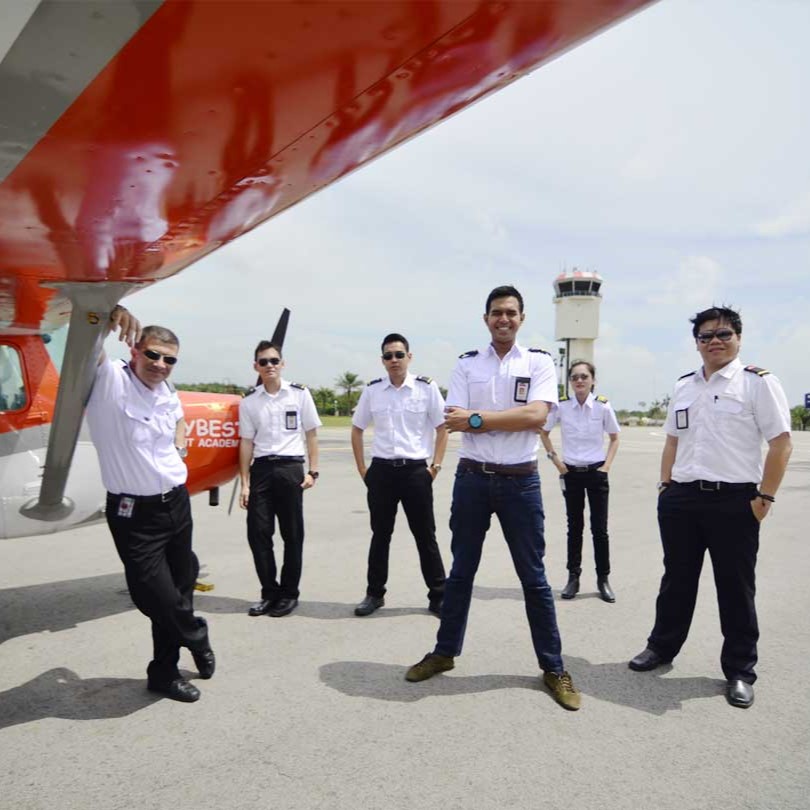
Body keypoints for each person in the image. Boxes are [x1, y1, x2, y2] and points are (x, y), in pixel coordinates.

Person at [405, 285, 581, 711]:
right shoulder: (467, 364)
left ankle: (554, 667)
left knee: (534, 579)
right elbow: (454, 420)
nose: (504, 319)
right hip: (473, 480)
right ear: (486, 319)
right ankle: (445, 652)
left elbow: (537, 415)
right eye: (497, 313)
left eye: (511, 312)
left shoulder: (538, 362)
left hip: (521, 482)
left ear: (522, 318)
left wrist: (479, 418)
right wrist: (500, 421)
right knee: (461, 573)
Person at [629, 306, 792, 709]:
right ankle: (661, 647)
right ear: (696, 343)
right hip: (682, 499)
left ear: (738, 338)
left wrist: (765, 497)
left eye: (723, 334)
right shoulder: (685, 385)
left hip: (734, 501)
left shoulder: (756, 383)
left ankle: (740, 671)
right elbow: (672, 440)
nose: (714, 341)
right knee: (676, 579)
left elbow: (781, 443)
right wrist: (665, 487)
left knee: (735, 587)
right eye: (705, 336)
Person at [86, 306, 215, 703]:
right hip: (133, 513)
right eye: (153, 354)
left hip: (175, 503)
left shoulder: (166, 392)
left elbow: (177, 419)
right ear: (135, 350)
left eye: (169, 359)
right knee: (153, 596)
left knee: (179, 588)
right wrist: (106, 311)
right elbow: (84, 341)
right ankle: (196, 634)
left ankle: (164, 673)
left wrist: (179, 448)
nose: (160, 364)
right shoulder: (110, 381)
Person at [351, 333, 448, 617]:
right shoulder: (373, 390)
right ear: (382, 360)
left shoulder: (426, 388)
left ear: (409, 357)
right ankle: (374, 594)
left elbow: (442, 427)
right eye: (388, 356)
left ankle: (439, 595)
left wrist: (435, 467)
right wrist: (363, 469)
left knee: (425, 535)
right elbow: (357, 429)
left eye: (399, 354)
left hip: (416, 471)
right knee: (380, 535)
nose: (394, 360)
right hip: (381, 472)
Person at [239, 340, 321, 618]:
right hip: (262, 469)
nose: (269, 366)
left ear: (282, 364)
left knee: (292, 534)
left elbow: (311, 433)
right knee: (258, 533)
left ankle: (289, 594)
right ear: (256, 366)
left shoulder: (299, 394)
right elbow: (246, 443)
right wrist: (245, 483)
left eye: (274, 361)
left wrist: (313, 471)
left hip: (290, 469)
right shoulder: (249, 401)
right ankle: (269, 593)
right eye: (263, 362)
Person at [540, 360, 620, 602]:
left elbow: (615, 437)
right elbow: (543, 432)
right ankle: (573, 578)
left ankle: (603, 579)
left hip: (596, 473)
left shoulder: (603, 406)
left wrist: (606, 467)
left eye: (584, 376)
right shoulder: (562, 406)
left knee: (600, 529)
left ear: (593, 380)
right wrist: (557, 462)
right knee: (574, 528)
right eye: (574, 377)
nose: (579, 380)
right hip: (571, 473)